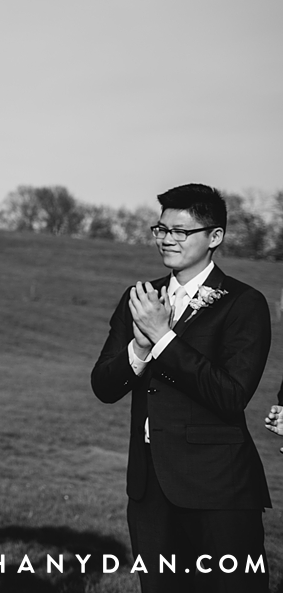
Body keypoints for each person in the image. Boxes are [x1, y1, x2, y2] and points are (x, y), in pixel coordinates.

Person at [91, 183, 271, 592]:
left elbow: (231, 395)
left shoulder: (244, 303)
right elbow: (103, 385)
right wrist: (139, 346)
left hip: (219, 489)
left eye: (180, 231)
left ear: (214, 237)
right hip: (149, 488)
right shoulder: (139, 298)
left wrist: (163, 338)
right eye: (161, 230)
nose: (167, 240)